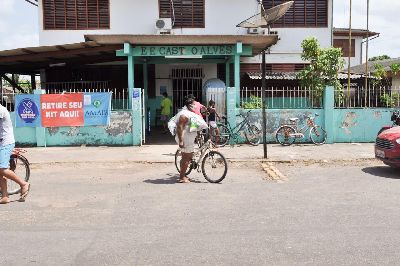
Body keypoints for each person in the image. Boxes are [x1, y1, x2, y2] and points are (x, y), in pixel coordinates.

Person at [0, 104, 30, 204]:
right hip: (1, 142)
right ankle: (5, 196)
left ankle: (23, 184)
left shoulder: (0, 109)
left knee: (2, 169)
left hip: (6, 142)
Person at [175, 96, 207, 183]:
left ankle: (183, 175)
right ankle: (182, 178)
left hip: (188, 138)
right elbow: (179, 127)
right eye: (194, 105)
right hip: (185, 139)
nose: (195, 106)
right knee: (187, 158)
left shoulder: (189, 113)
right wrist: (181, 141)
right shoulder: (184, 115)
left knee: (186, 157)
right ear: (189, 106)